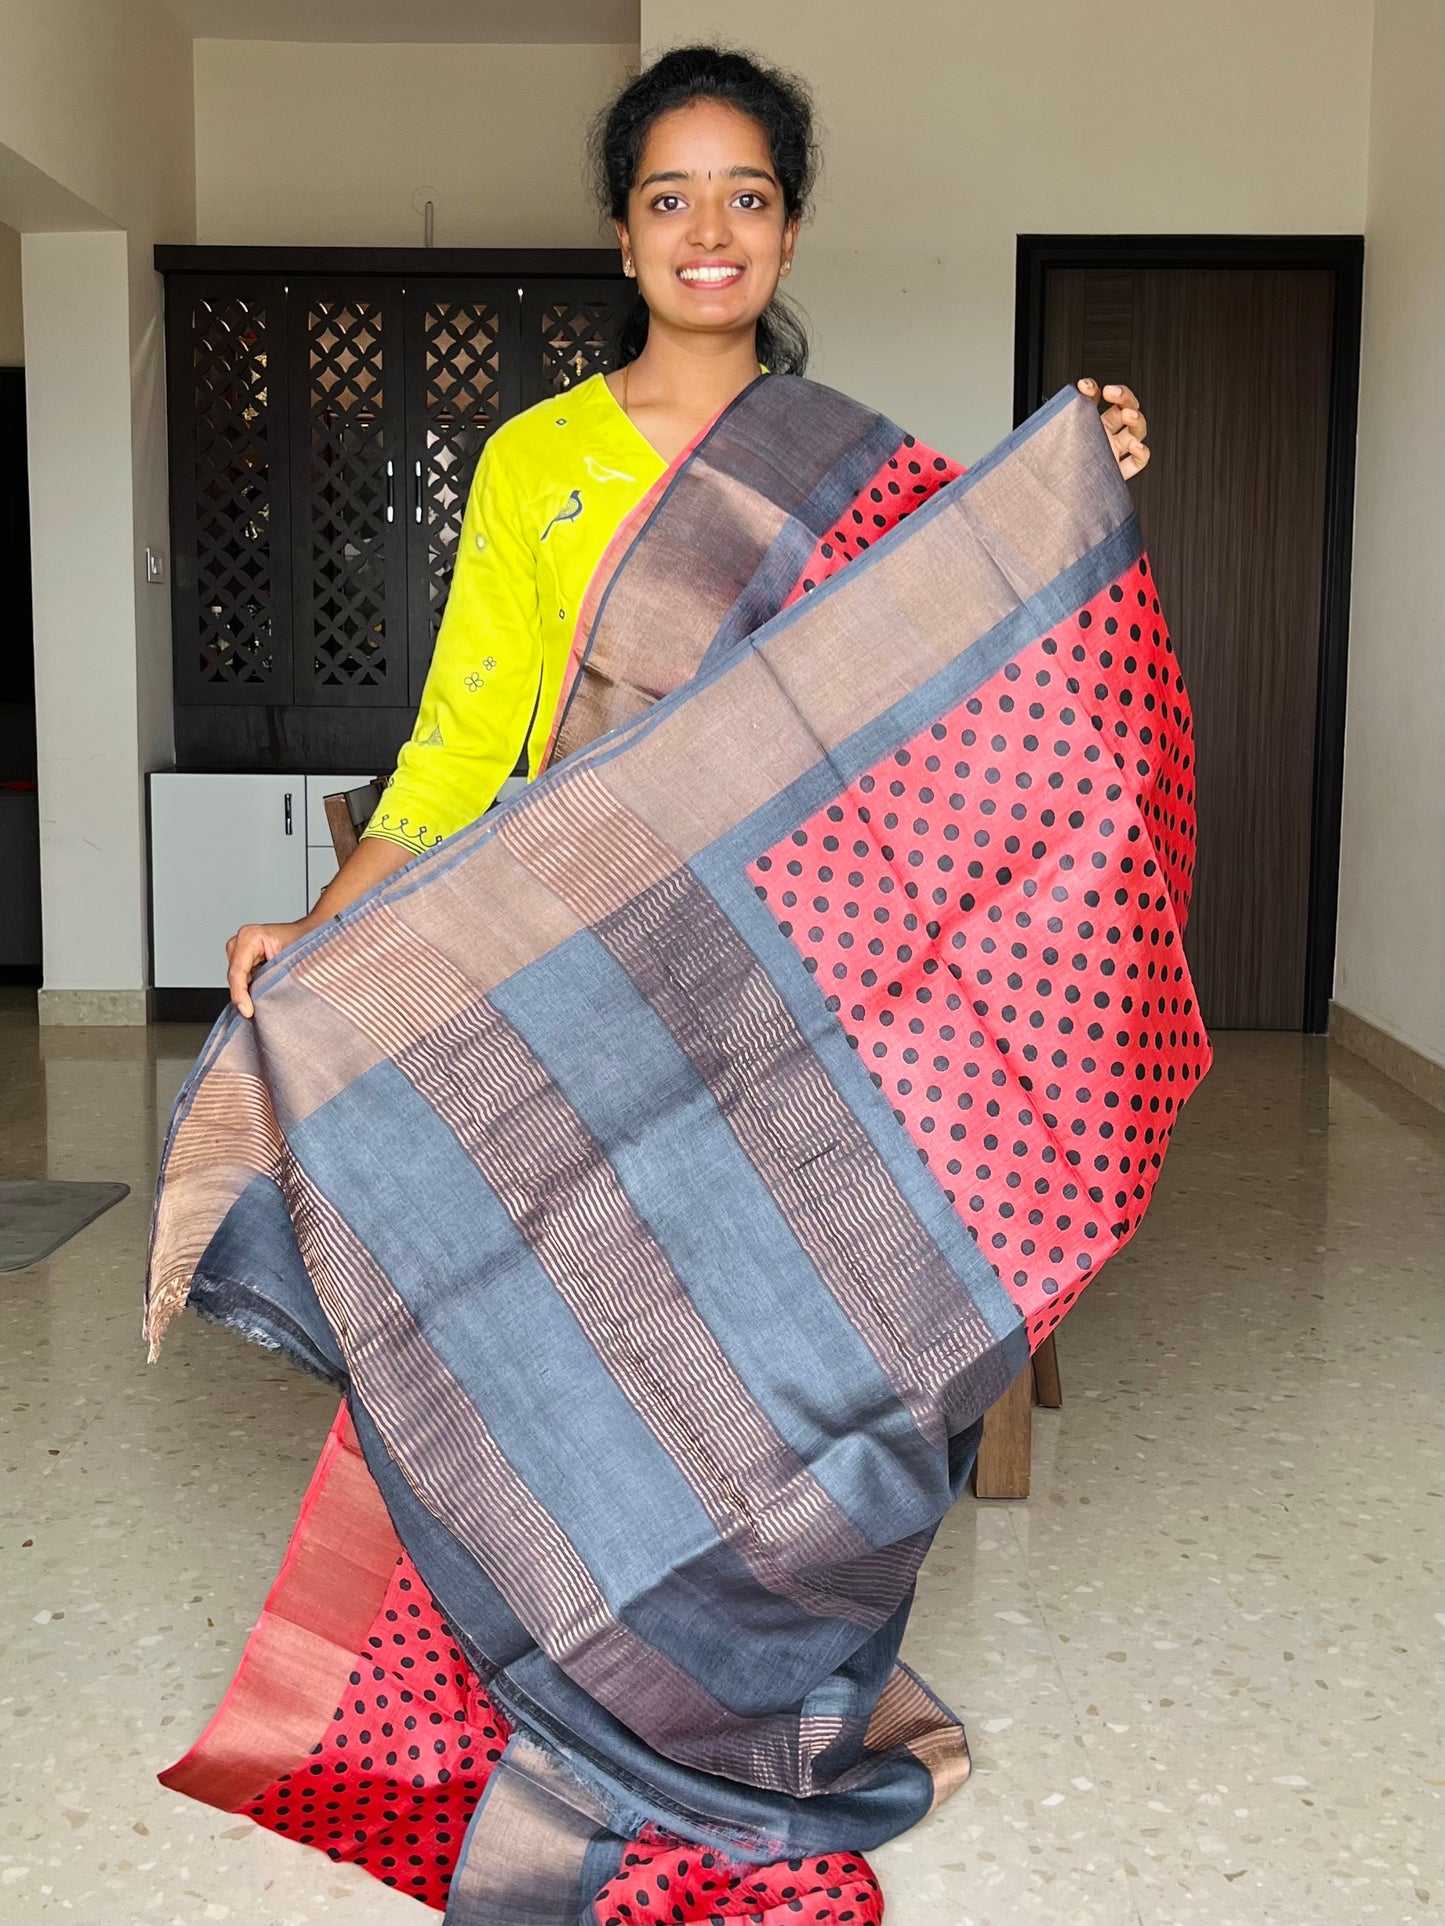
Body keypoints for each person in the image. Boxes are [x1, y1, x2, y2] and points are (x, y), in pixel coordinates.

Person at [223, 46, 1149, 1018]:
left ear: (788, 235)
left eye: (746, 199)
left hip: (797, 949)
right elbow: (459, 749)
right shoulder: (534, 461)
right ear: (624, 238)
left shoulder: (839, 468)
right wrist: (319, 922)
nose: (709, 231)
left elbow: (956, 658)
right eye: (669, 201)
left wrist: (1073, 484)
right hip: (583, 935)